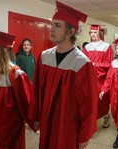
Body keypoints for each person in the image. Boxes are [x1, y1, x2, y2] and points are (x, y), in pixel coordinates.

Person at [27, 1, 98, 149]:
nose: (51, 29)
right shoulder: (44, 57)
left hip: (68, 126)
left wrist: (84, 134)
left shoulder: (82, 63)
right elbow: (37, 91)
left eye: (57, 26)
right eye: (52, 25)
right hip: (46, 121)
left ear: (71, 32)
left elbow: (88, 104)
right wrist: (36, 116)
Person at [0, 28, 33, 149]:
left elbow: (27, 103)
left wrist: (35, 122)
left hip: (10, 128)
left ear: (2, 50)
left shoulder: (16, 74)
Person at [83, 24, 113, 128]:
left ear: (99, 33)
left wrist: (95, 65)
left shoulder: (106, 46)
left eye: (95, 32)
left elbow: (109, 63)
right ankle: (90, 123)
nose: (93, 35)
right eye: (91, 33)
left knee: (101, 100)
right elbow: (84, 63)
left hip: (101, 79)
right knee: (89, 101)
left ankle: (106, 117)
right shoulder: (87, 47)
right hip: (89, 79)